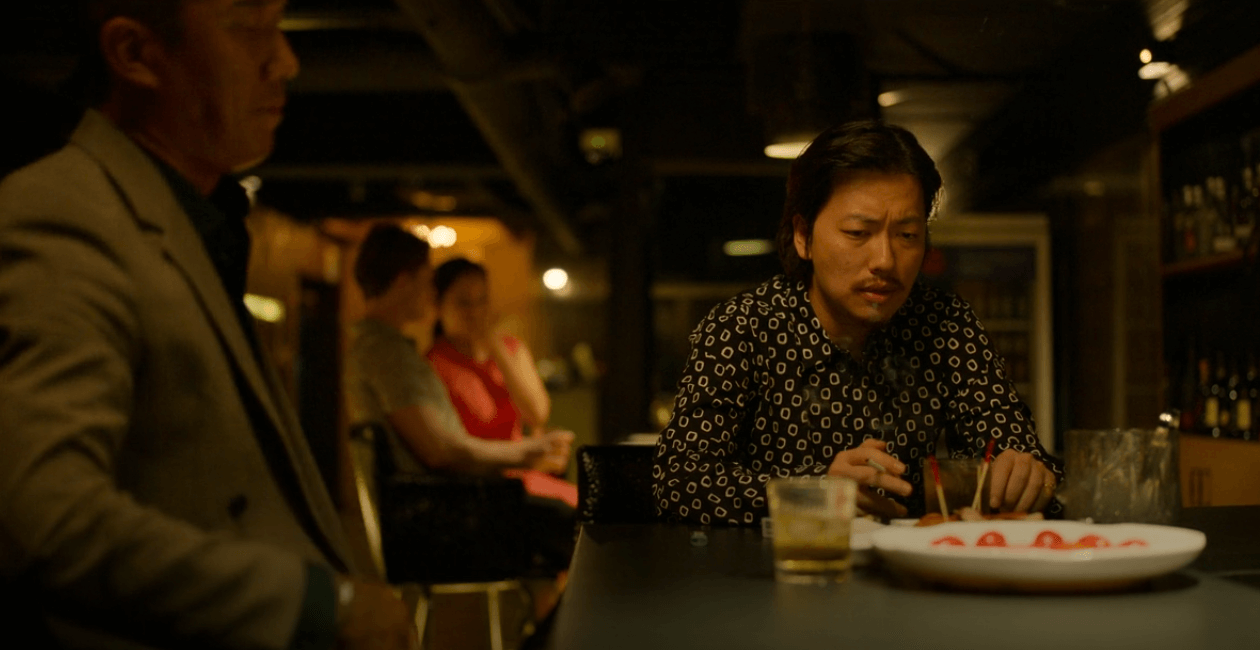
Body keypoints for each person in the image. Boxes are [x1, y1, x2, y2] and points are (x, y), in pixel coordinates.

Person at [0, 2, 414, 649]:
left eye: (280, 25)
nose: (286, 61)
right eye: (249, 26)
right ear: (135, 54)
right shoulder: (63, 211)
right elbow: (43, 519)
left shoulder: (189, 216)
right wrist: (320, 606)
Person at [652, 120, 1064, 526]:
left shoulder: (944, 325)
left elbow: (1020, 453)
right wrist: (815, 494)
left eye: (907, 235)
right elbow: (678, 481)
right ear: (803, 235)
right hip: (781, 563)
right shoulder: (743, 328)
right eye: (857, 232)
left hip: (913, 562)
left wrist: (1028, 475)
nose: (885, 260)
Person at [344, 225, 575, 574]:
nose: (429, 292)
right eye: (427, 280)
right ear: (405, 281)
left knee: (583, 517)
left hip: (448, 502)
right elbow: (440, 450)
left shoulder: (386, 348)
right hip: (447, 513)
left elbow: (531, 414)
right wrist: (527, 452)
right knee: (586, 525)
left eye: (481, 300)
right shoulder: (387, 353)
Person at [427, 257, 578, 508]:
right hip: (480, 485)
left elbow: (537, 414)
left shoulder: (510, 349)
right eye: (464, 303)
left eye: (482, 301)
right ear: (438, 305)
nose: (475, 312)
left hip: (523, 474)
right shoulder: (433, 364)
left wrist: (494, 345)